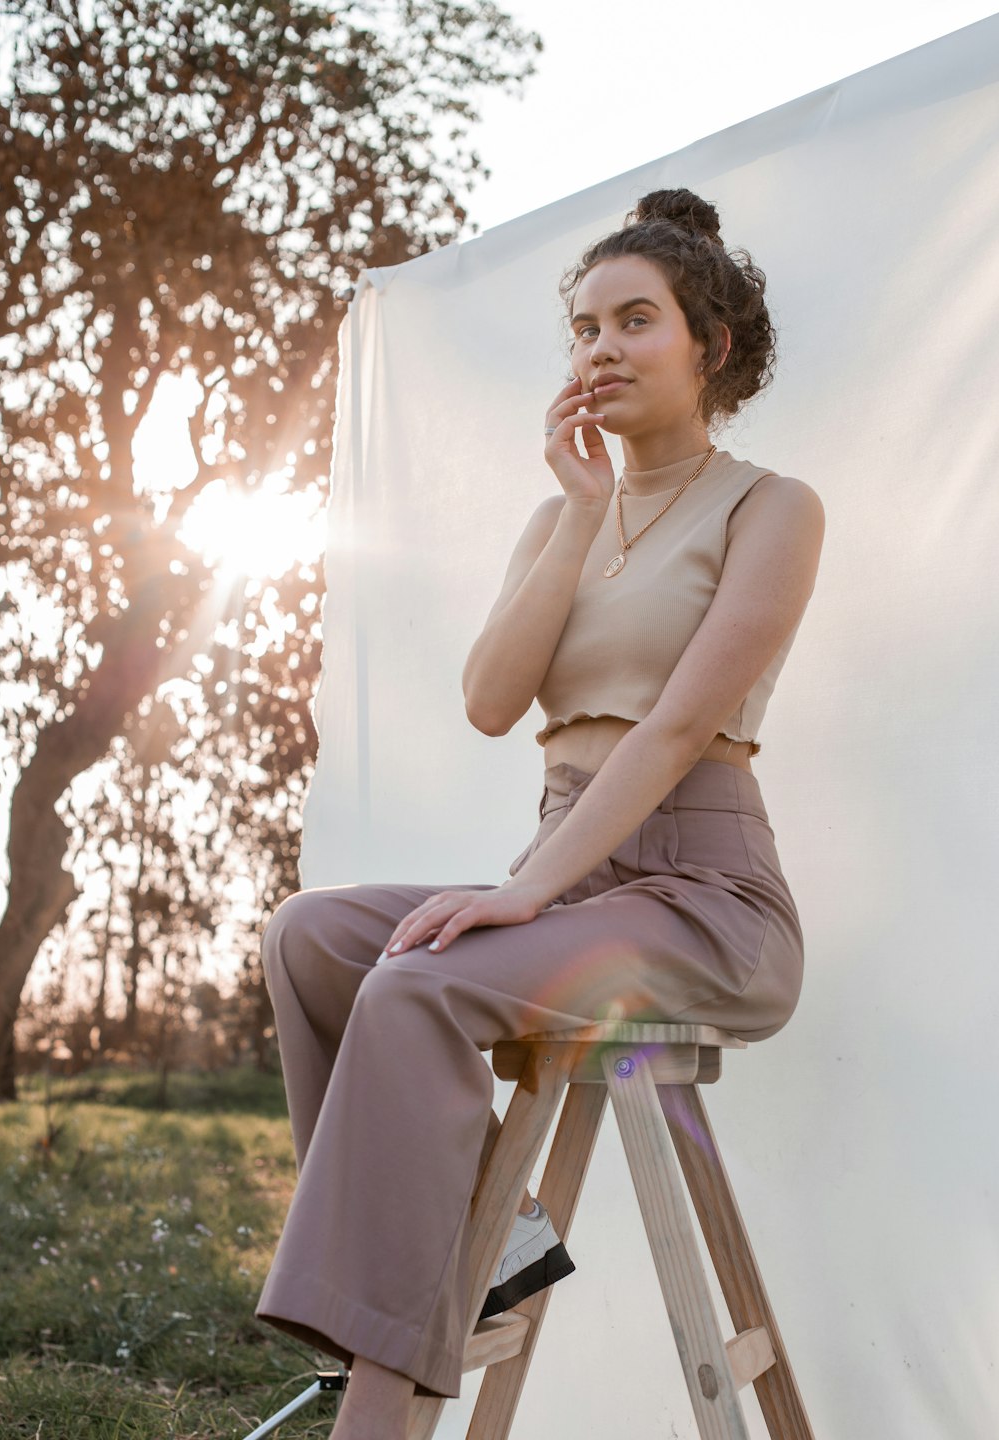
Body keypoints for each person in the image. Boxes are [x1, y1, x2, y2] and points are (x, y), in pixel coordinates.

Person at [254, 187, 825, 1440]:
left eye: (635, 320)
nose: (601, 349)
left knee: (413, 984)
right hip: (568, 873)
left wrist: (519, 891)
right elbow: (488, 699)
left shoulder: (770, 506)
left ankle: (383, 1387)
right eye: (583, 328)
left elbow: (676, 733)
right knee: (311, 939)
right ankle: (490, 1258)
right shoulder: (560, 515)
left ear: (709, 346)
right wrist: (574, 510)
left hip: (702, 893)